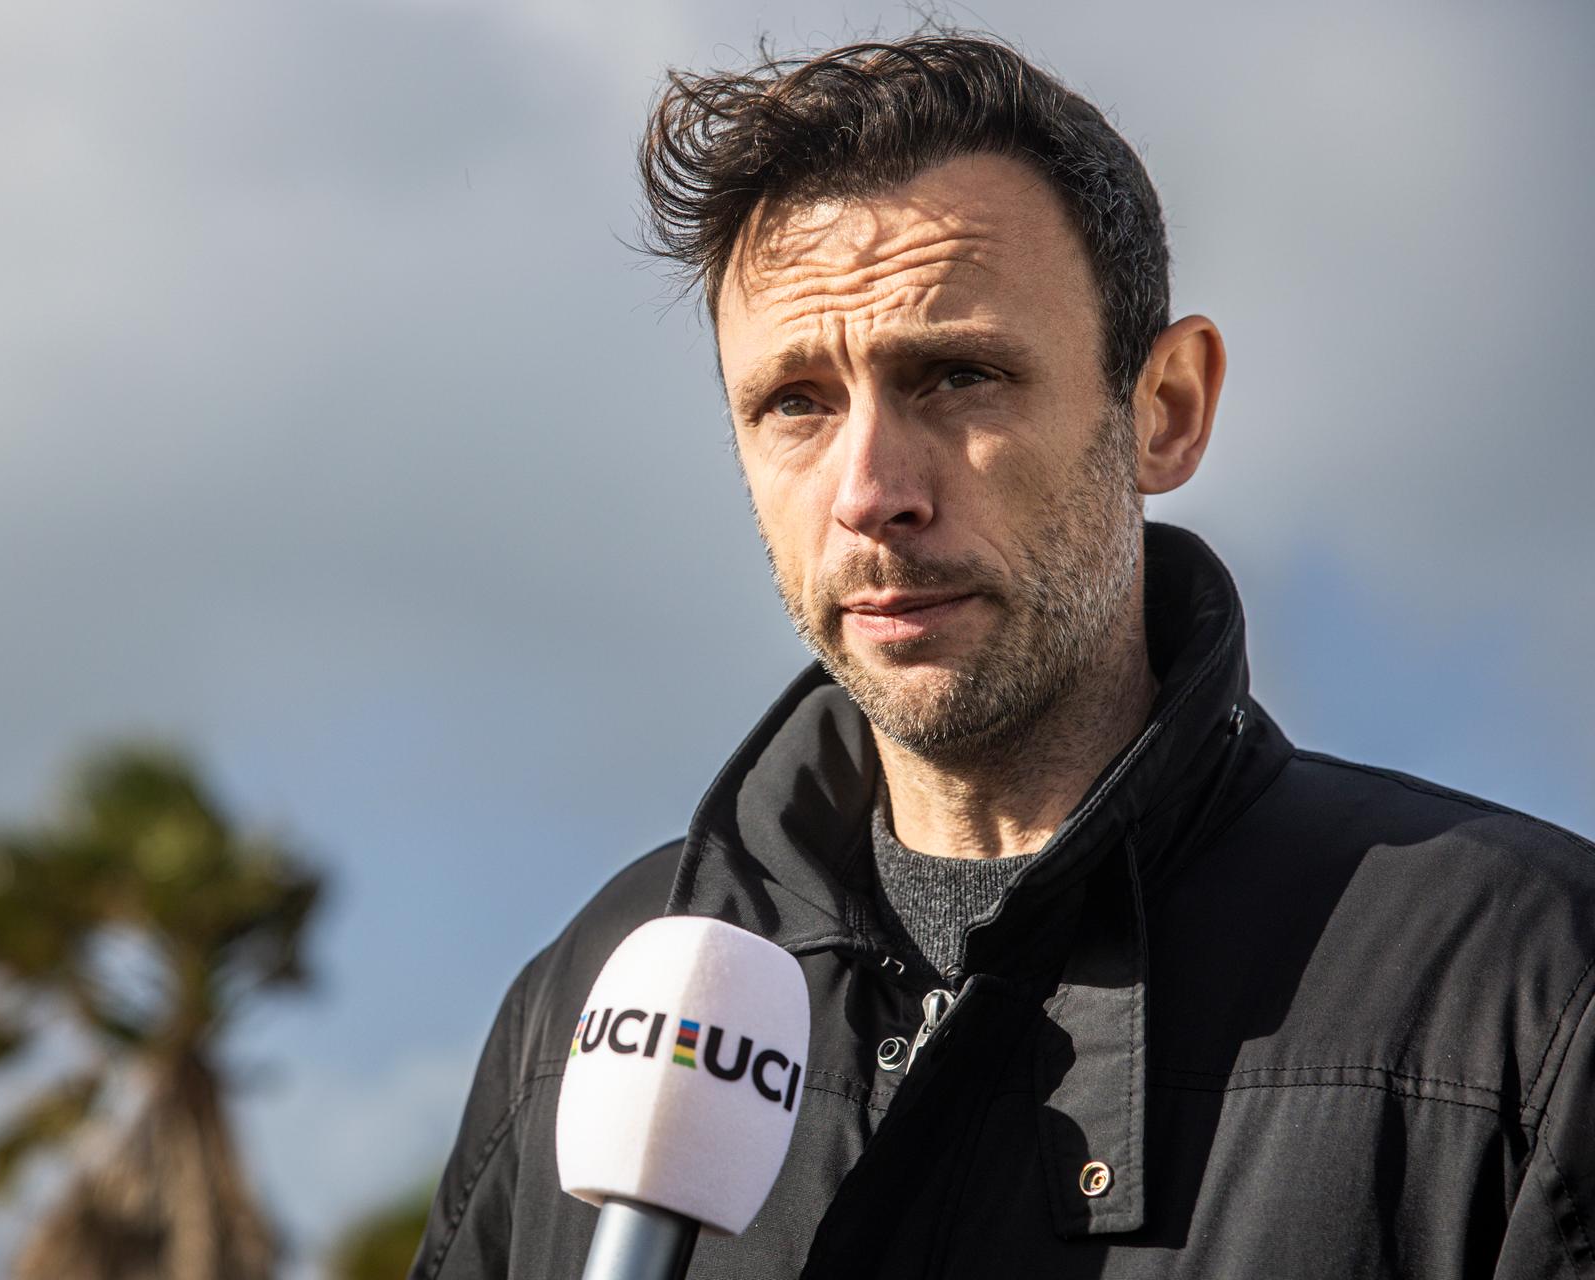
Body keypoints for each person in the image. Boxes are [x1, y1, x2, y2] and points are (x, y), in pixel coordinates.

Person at [411, 29, 1595, 1279]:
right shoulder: (588, 1004)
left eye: (960, 374)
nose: (869, 490)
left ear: (1167, 408)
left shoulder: (1521, 993)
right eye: (795, 403)